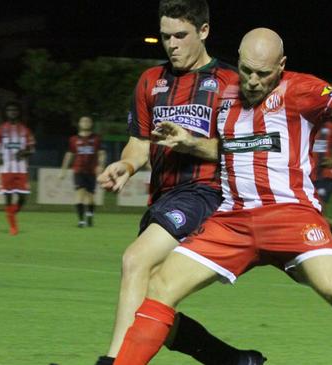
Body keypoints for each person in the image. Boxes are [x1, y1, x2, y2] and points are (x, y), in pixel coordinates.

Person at [112, 28, 332, 364]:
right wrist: (189, 141)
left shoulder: (301, 89)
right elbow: (230, 148)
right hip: (232, 220)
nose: (252, 80)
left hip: (291, 215)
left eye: (263, 74)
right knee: (159, 288)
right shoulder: (225, 95)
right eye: (246, 70)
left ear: (281, 66)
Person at [95, 1, 265, 364]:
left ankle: (113, 362)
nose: (172, 44)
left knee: (134, 260)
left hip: (207, 194)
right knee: (147, 302)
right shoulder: (150, 82)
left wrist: (190, 142)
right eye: (165, 36)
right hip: (164, 198)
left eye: (181, 35)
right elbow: (141, 142)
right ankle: (233, 361)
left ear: (203, 31)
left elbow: (246, 147)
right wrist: (126, 164)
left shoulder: (232, 84)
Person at [0, 101, 35, 236]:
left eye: (15, 110)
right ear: (6, 113)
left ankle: (11, 213)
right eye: (9, 110)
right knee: (8, 197)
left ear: (18, 112)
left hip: (21, 168)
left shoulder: (25, 130)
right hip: (6, 169)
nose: (12, 112)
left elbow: (32, 149)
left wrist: (25, 153)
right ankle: (13, 227)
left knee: (23, 197)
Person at [60, 116, 107, 227]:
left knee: (90, 197)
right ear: (79, 124)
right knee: (80, 193)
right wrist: (63, 170)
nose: (85, 123)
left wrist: (101, 165)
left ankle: (90, 216)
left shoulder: (96, 138)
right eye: (83, 121)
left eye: (88, 121)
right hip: (78, 170)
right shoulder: (73, 139)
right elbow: (69, 155)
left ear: (91, 124)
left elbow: (102, 153)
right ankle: (81, 221)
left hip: (91, 171)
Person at [312, 118, 332, 204]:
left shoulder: (330, 127)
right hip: (307, 173)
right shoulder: (303, 124)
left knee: (320, 204)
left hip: (324, 173)